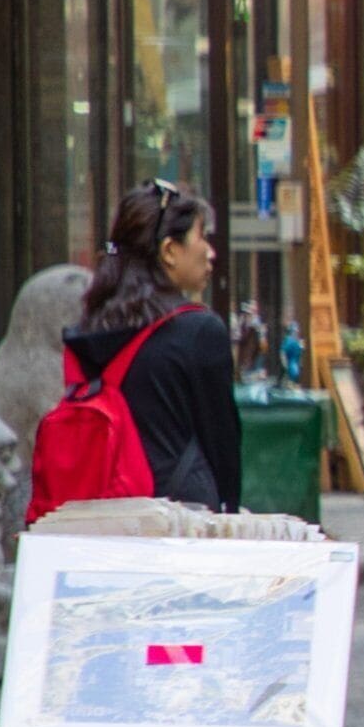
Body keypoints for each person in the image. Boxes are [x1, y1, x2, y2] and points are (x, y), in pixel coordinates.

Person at [63, 181, 241, 510]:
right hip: (179, 518)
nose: (211, 252)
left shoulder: (91, 330)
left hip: (100, 516)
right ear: (170, 251)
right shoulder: (200, 331)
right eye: (202, 237)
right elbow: (222, 447)